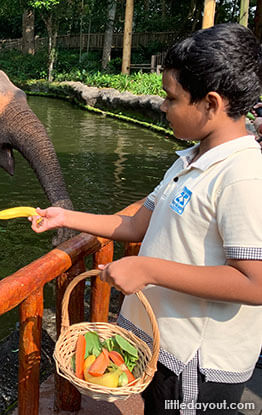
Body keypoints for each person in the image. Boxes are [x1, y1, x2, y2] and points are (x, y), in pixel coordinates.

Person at [30, 23, 262, 415]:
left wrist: (148, 269)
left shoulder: (243, 176)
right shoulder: (191, 160)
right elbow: (138, 222)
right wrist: (65, 216)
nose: (162, 106)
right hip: (164, 347)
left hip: (199, 368)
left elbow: (254, 282)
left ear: (210, 103)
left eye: (171, 98)